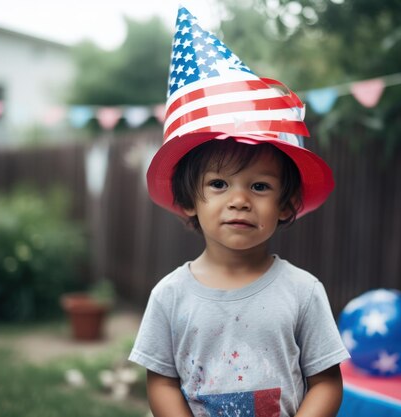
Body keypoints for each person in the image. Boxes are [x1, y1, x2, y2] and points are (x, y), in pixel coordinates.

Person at [129, 6, 349, 417]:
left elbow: (325, 381)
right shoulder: (170, 296)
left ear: (285, 205)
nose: (239, 200)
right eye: (218, 184)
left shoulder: (302, 293)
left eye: (260, 186)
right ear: (190, 199)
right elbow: (161, 380)